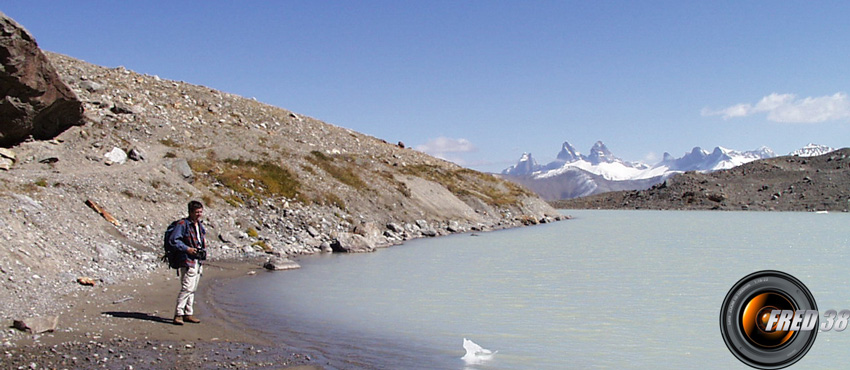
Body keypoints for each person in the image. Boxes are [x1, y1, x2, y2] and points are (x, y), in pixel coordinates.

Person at [167, 200, 207, 325]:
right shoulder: (183, 224)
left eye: (200, 212)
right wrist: (188, 249)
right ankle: (178, 314)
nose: (199, 214)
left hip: (197, 261)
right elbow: (174, 241)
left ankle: (188, 313)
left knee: (192, 288)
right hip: (187, 260)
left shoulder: (198, 225)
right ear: (190, 212)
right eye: (197, 212)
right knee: (187, 288)